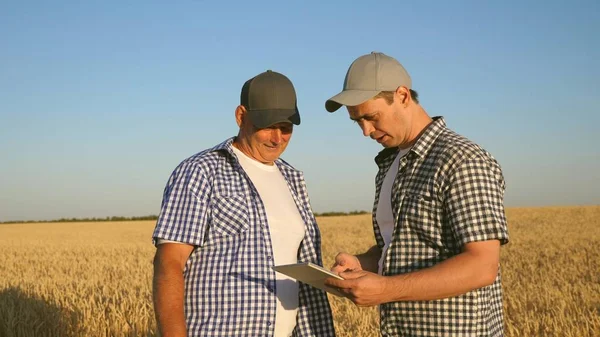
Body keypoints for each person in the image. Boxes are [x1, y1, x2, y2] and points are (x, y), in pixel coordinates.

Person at [323, 52, 510, 336]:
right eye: (357, 121)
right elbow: (397, 249)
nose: (365, 131)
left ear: (402, 96)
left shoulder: (461, 160)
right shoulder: (389, 164)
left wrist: (386, 289)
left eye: (371, 117)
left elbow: (482, 265)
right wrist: (363, 263)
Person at [151, 70, 336, 337]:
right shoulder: (202, 171)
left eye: (286, 128)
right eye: (267, 126)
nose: (277, 138)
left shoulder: (293, 179)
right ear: (241, 116)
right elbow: (169, 263)